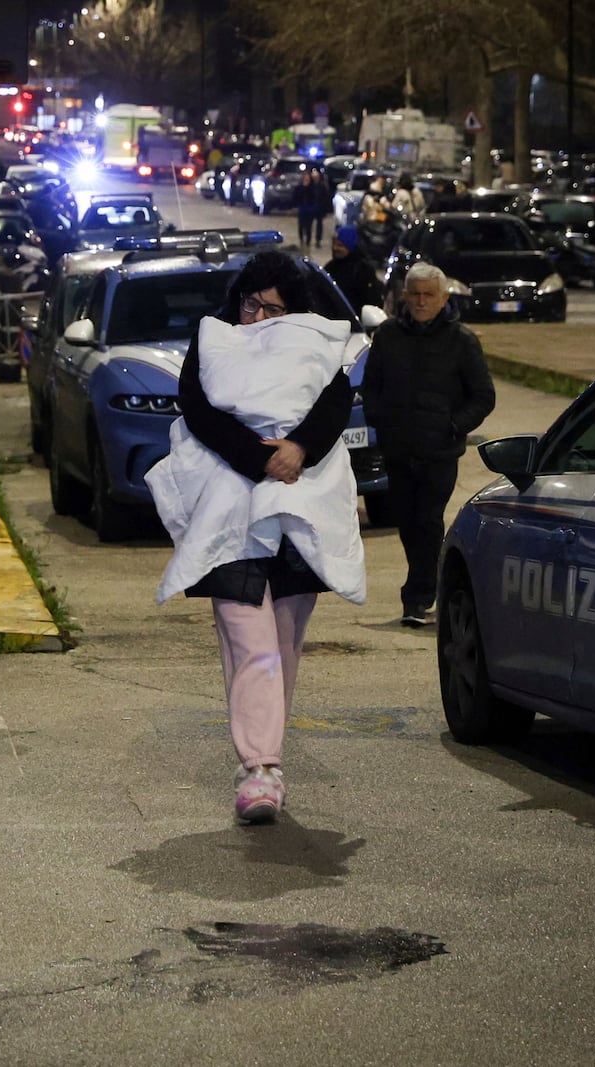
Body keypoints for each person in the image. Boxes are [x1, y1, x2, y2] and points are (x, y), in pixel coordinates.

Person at [147, 251, 366, 825]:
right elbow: (195, 406)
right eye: (252, 304)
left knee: (284, 646)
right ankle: (259, 768)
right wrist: (256, 458)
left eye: (274, 308)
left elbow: (334, 399)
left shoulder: (317, 345)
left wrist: (298, 449)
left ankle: (267, 760)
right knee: (254, 645)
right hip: (231, 516)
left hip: (297, 512)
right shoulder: (213, 339)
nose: (259, 317)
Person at [362, 263, 496, 627]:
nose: (421, 302)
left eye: (428, 295)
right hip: (399, 449)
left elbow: (483, 396)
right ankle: (426, 587)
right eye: (415, 294)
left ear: (443, 298)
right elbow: (371, 387)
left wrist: (454, 426)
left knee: (428, 519)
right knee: (407, 522)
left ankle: (418, 598)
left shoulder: (462, 341)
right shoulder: (388, 336)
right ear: (404, 296)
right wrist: (382, 421)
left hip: (439, 453)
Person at [325, 224, 384, 312]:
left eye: (340, 245)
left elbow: (372, 303)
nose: (335, 248)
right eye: (334, 244)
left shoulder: (363, 270)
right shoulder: (331, 267)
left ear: (350, 247)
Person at [293, 171, 317, 247]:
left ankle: (308, 241)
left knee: (309, 226)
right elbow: (295, 197)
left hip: (309, 209)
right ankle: (301, 239)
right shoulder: (299, 187)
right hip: (302, 208)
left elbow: (314, 197)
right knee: (301, 226)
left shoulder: (312, 187)